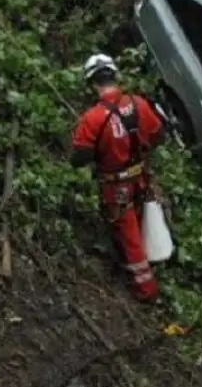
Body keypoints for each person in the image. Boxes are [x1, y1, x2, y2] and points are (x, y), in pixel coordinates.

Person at [70, 53, 167, 302]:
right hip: (141, 176)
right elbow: (157, 135)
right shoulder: (139, 104)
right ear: (115, 76)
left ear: (92, 84)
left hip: (117, 185)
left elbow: (79, 158)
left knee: (129, 233)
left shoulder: (92, 119)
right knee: (141, 219)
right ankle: (147, 263)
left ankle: (147, 289)